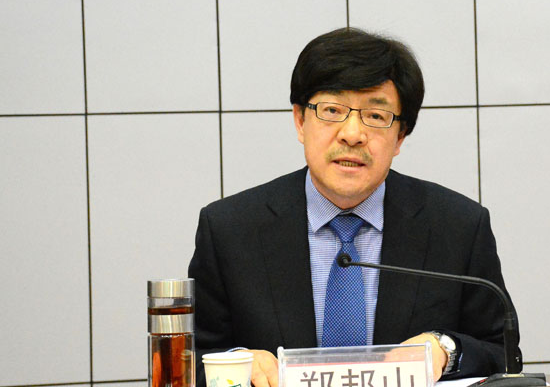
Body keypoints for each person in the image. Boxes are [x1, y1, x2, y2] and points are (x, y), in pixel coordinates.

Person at [189, 27, 517, 387]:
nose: (352, 134)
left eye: (375, 116)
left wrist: (445, 349)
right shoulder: (230, 229)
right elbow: (190, 360)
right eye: (332, 110)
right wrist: (236, 363)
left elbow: (502, 353)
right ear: (300, 121)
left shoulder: (457, 226)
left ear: (400, 136)